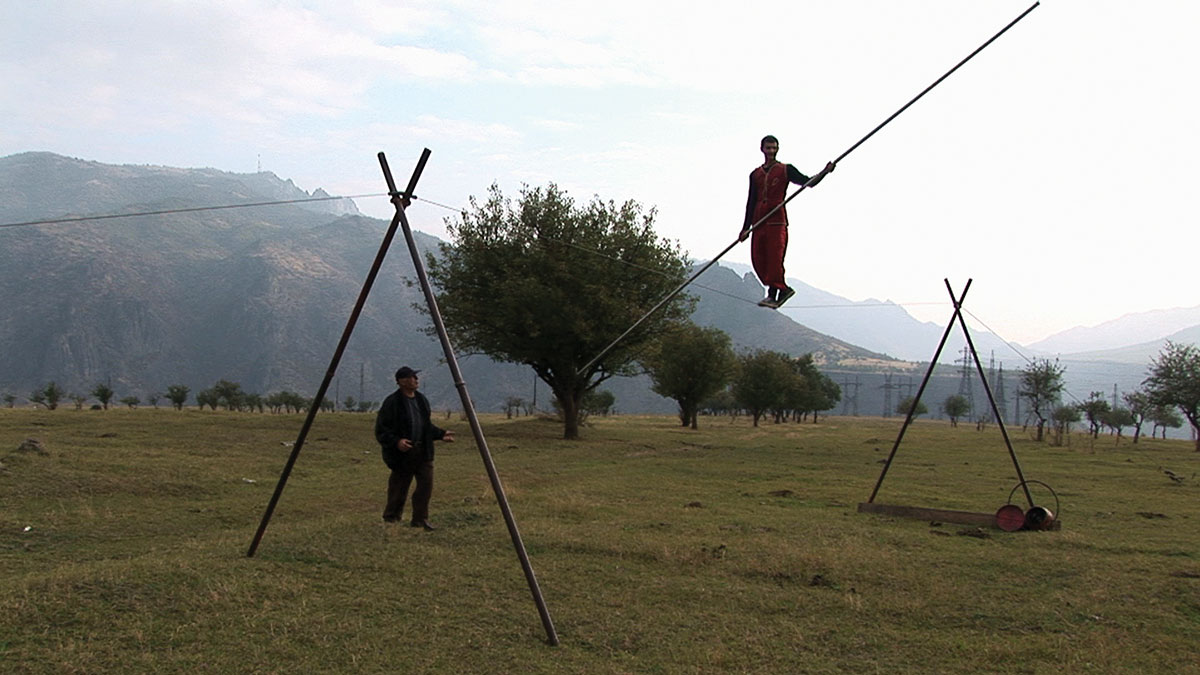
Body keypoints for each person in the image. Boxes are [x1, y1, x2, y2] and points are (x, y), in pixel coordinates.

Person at [739, 135, 835, 309]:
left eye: (774, 148)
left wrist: (824, 172)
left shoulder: (785, 169)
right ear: (762, 149)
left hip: (776, 221)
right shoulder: (755, 175)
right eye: (768, 148)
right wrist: (745, 228)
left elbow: (808, 182)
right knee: (759, 259)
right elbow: (751, 201)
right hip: (759, 221)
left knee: (775, 259)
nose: (771, 151)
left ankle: (778, 292)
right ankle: (774, 292)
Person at [375, 366, 454, 529]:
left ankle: (420, 519)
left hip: (423, 451)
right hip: (403, 454)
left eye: (416, 377)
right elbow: (382, 430)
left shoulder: (421, 400)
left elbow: (426, 426)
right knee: (399, 487)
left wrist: (441, 434)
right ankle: (391, 518)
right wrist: (397, 442)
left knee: (425, 485)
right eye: (412, 377)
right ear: (402, 381)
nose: (416, 380)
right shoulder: (392, 402)